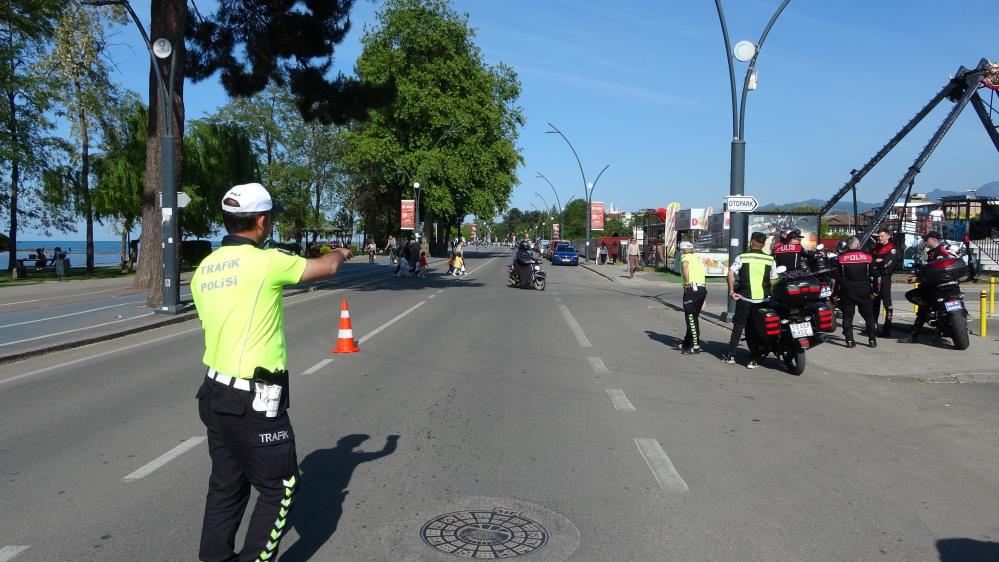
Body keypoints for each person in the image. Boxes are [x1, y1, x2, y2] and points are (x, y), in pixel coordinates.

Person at [191, 182, 352, 562]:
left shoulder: (204, 269)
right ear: (262, 221)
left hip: (214, 393)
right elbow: (325, 268)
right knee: (280, 487)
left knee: (226, 485)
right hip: (254, 399)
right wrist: (341, 251)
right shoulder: (266, 261)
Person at [722, 232, 777, 368]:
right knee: (756, 328)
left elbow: (730, 273)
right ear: (764, 244)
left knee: (739, 326)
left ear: (751, 242)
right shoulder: (770, 259)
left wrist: (731, 292)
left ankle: (731, 356)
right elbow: (773, 280)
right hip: (763, 300)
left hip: (744, 298)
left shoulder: (742, 257)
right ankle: (753, 359)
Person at [903, 231, 953, 343]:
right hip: (947, 285)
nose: (925, 241)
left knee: (919, 304)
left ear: (934, 240)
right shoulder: (933, 252)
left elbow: (935, 270)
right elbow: (929, 268)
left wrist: (919, 278)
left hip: (937, 286)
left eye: (927, 239)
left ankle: (914, 335)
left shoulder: (941, 250)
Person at [835, 236, 877, 349]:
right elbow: (876, 276)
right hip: (864, 290)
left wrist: (836, 293)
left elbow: (837, 278)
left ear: (847, 245)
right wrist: (875, 291)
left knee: (847, 317)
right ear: (858, 245)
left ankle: (849, 341)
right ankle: (872, 341)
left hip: (847, 291)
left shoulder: (841, 258)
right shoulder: (868, 257)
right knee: (869, 317)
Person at [679, 241, 707, 354]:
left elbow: (685, 266)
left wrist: (686, 282)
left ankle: (695, 346)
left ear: (682, 250)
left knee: (691, 318)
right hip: (701, 290)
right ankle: (687, 343)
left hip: (692, 289)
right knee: (693, 318)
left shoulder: (685, 257)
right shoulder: (697, 259)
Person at [870, 227, 897, 336]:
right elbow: (871, 261)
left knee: (887, 303)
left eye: (882, 236)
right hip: (875, 278)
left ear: (888, 236)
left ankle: (887, 328)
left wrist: (878, 264)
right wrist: (876, 264)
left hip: (885, 278)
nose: (880, 238)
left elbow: (888, 263)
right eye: (879, 236)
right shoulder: (876, 248)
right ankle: (873, 327)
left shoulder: (892, 248)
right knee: (874, 303)